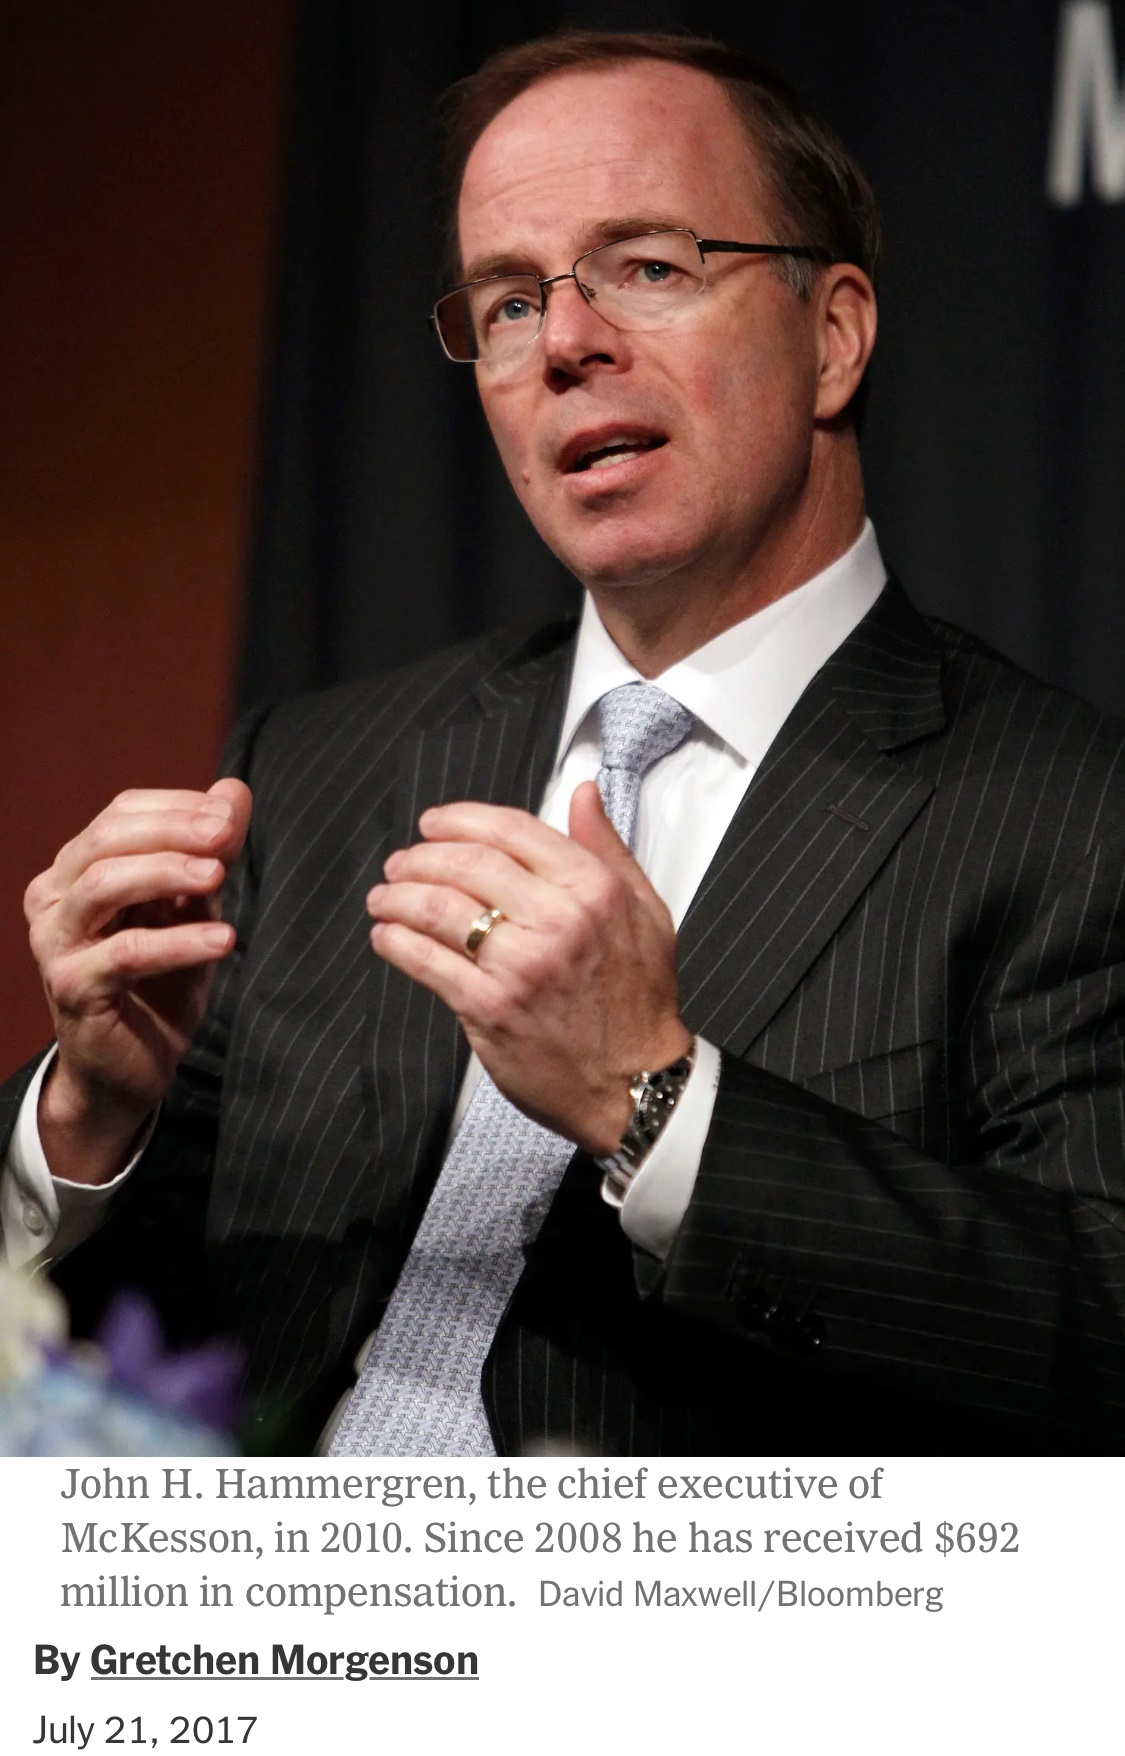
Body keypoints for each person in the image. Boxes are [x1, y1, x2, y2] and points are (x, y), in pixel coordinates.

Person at [3, 30, 1124, 1454]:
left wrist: (654, 1099)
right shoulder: (318, 764)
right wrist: (93, 1119)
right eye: (509, 302)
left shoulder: (1068, 811)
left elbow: (1099, 1321)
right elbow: (160, 1321)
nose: (565, 344)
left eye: (646, 267)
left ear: (832, 336)